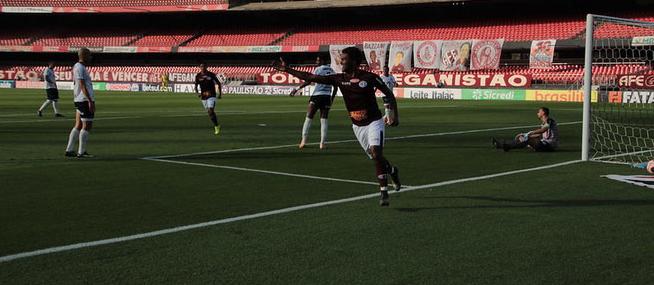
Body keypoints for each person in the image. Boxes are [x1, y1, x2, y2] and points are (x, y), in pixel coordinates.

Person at [273, 46, 402, 207]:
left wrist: (394, 115)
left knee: (377, 153)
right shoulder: (339, 78)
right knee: (376, 158)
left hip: (374, 122)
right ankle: (392, 171)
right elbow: (310, 76)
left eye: (344, 59)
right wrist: (287, 69)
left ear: (354, 61)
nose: (341, 61)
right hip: (357, 126)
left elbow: (388, 93)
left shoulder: (369, 77)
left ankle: (383, 192)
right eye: (341, 59)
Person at [290, 55, 338, 149]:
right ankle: (322, 143)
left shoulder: (318, 70)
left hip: (317, 96)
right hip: (327, 97)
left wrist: (297, 88)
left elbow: (309, 80)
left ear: (323, 61)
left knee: (309, 118)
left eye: (318, 60)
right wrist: (332, 98)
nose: (316, 62)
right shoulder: (332, 71)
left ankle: (303, 141)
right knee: (324, 120)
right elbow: (336, 87)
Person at [64, 48, 95, 158]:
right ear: (84, 55)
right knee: (87, 126)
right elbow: (82, 85)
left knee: (78, 125)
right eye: (89, 55)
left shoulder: (79, 67)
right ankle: (81, 152)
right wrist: (90, 100)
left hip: (79, 99)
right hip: (84, 100)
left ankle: (69, 150)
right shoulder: (80, 67)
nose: (91, 57)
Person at [493, 107, 559, 152]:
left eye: (539, 112)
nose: (537, 113)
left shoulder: (549, 120)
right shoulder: (544, 123)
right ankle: (506, 146)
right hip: (545, 144)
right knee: (525, 140)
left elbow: (543, 130)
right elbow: (539, 134)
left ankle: (505, 145)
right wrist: (526, 135)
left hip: (550, 145)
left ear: (543, 113)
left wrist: (529, 133)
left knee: (526, 140)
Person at [195, 63, 222, 135]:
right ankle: (217, 124)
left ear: (206, 67)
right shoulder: (198, 76)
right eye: (201, 66)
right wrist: (197, 93)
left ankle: (216, 126)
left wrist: (220, 94)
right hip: (203, 96)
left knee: (210, 111)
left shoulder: (211, 74)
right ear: (199, 67)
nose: (202, 67)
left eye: (204, 66)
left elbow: (218, 83)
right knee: (210, 113)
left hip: (212, 95)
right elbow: (196, 85)